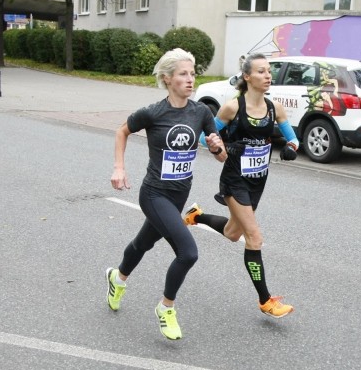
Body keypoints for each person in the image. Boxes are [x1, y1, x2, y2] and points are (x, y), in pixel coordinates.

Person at [106, 48, 227, 340]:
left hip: (178, 195)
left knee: (143, 243)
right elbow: (122, 131)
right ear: (167, 78)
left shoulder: (201, 112)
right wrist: (119, 168)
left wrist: (216, 147)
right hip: (154, 194)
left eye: (193, 73)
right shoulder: (153, 112)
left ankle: (117, 278)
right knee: (188, 253)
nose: (190, 79)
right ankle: (166, 308)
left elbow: (222, 156)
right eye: (183, 74)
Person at [183, 53, 299, 319]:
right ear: (247, 77)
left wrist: (292, 148)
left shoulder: (274, 108)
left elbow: (294, 140)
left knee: (233, 233)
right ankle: (265, 300)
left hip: (258, 181)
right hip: (234, 180)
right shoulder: (232, 107)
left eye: (269, 71)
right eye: (261, 71)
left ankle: (196, 216)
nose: (267, 76)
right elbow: (205, 139)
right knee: (254, 238)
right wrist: (225, 146)